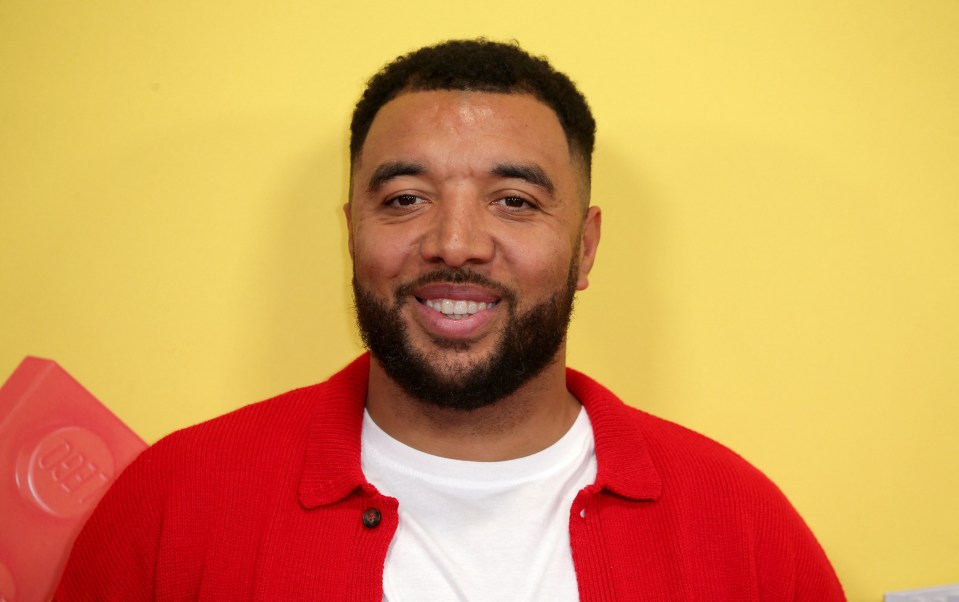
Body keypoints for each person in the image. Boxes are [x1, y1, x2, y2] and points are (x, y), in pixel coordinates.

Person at [55, 39, 845, 600]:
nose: (454, 245)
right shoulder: (172, 504)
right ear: (352, 233)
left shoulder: (742, 529)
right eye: (405, 199)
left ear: (586, 247)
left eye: (514, 201)